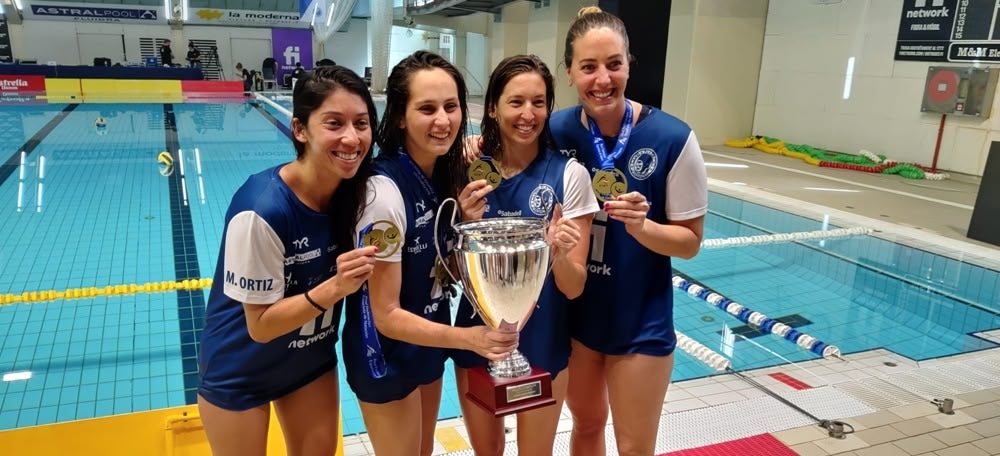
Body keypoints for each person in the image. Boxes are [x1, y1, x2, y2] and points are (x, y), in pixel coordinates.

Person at [341, 50, 518, 456]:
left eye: (451, 106)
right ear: (401, 116)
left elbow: (446, 273)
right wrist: (467, 338)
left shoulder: (443, 175)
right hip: (384, 354)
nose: (443, 121)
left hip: (427, 342)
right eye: (427, 109)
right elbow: (385, 315)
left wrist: (465, 227)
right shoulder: (382, 193)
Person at [549, 7, 708, 456]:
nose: (603, 79)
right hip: (578, 318)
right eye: (589, 67)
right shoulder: (556, 129)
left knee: (635, 445)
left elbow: (691, 242)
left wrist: (643, 228)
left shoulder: (672, 138)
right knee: (584, 427)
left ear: (629, 64)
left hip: (641, 321)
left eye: (614, 64)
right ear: (570, 72)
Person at [197, 66, 380, 456]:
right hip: (239, 371)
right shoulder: (262, 209)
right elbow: (260, 326)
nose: (351, 138)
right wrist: (336, 287)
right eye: (334, 123)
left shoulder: (355, 194)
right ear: (300, 129)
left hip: (308, 363)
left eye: (361, 123)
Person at [452, 54, 599, 455]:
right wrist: (464, 219)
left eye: (538, 102)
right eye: (516, 102)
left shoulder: (570, 177)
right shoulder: (467, 170)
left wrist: (559, 251)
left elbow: (573, 287)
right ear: (493, 107)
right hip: (477, 338)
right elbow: (450, 272)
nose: (527, 114)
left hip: (544, 341)